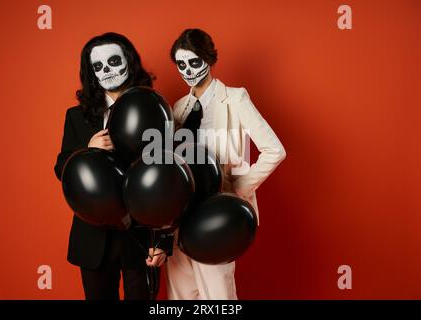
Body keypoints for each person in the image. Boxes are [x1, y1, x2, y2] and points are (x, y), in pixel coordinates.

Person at [165, 28, 287, 300]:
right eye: (181, 64)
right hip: (181, 217)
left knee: (217, 297)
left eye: (194, 62)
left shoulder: (235, 98)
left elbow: (274, 150)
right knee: (180, 296)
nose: (188, 70)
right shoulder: (178, 107)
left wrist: (238, 189)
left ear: (209, 59)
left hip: (217, 215)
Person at [54, 32, 172, 300]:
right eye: (97, 66)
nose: (106, 71)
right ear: (91, 73)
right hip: (93, 239)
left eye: (114, 61)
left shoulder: (154, 109)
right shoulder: (77, 117)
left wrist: (164, 241)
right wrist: (88, 150)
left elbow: (170, 177)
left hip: (140, 236)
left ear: (128, 62)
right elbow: (61, 168)